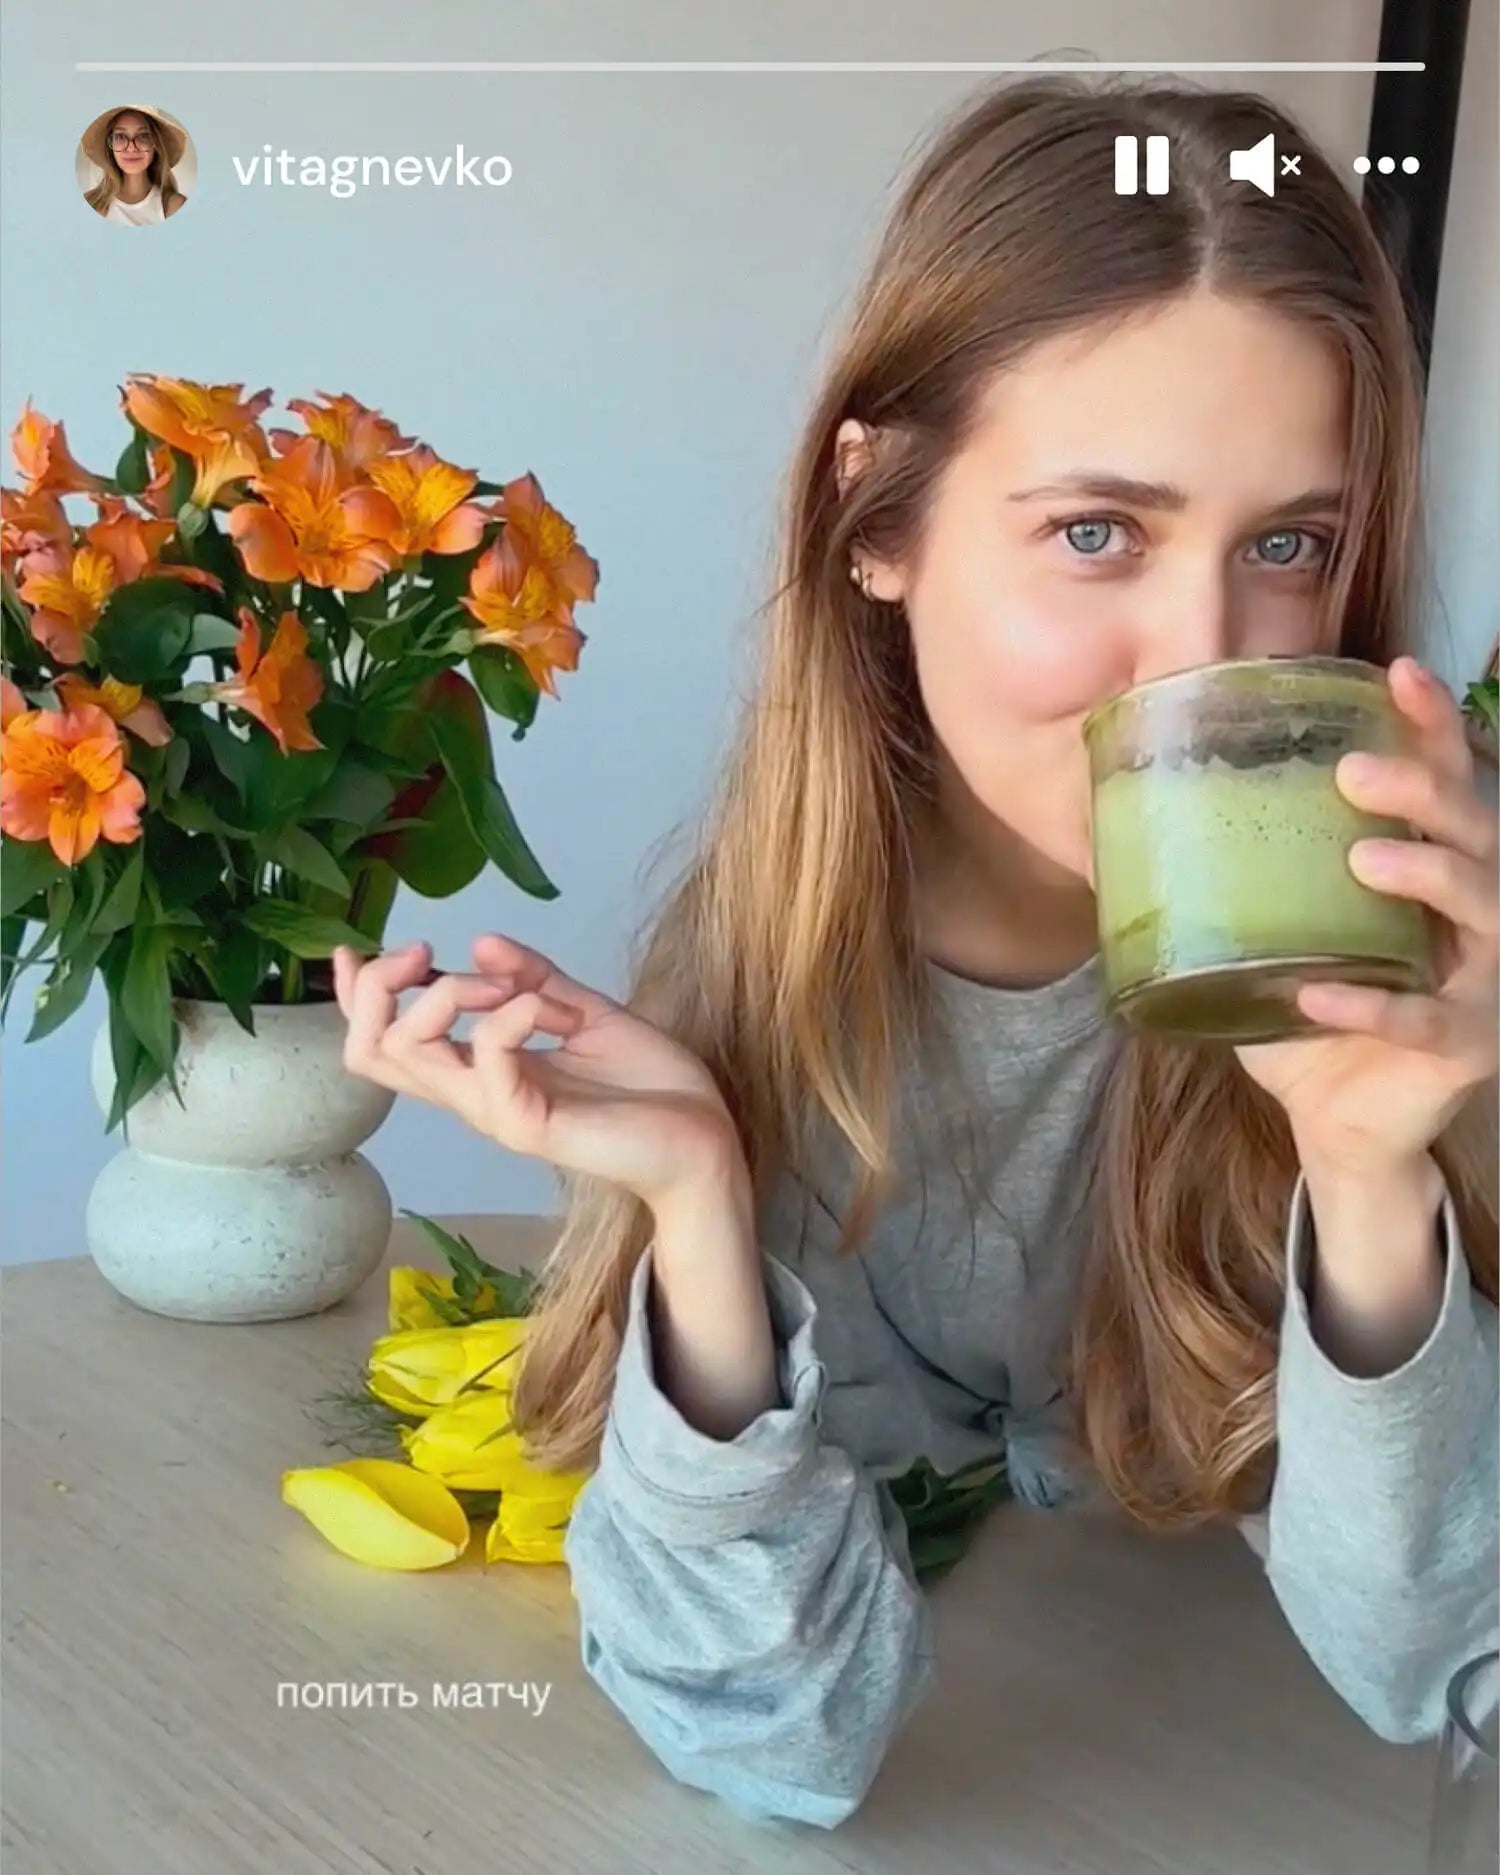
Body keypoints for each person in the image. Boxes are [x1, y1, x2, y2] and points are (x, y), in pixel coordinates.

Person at [331, 76, 1499, 1831]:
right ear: (877, 517)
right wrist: (702, 1216)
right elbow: (786, 1745)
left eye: (1289, 545)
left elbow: (1439, 1675)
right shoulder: (789, 992)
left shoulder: (1427, 978)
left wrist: (1369, 1174)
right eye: (1097, 533)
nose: (1198, 658)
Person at [79, 105, 188, 225]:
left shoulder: (174, 207)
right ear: (110, 145)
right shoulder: (90, 203)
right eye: (120, 136)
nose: (131, 147)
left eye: (143, 136)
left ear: (156, 144)